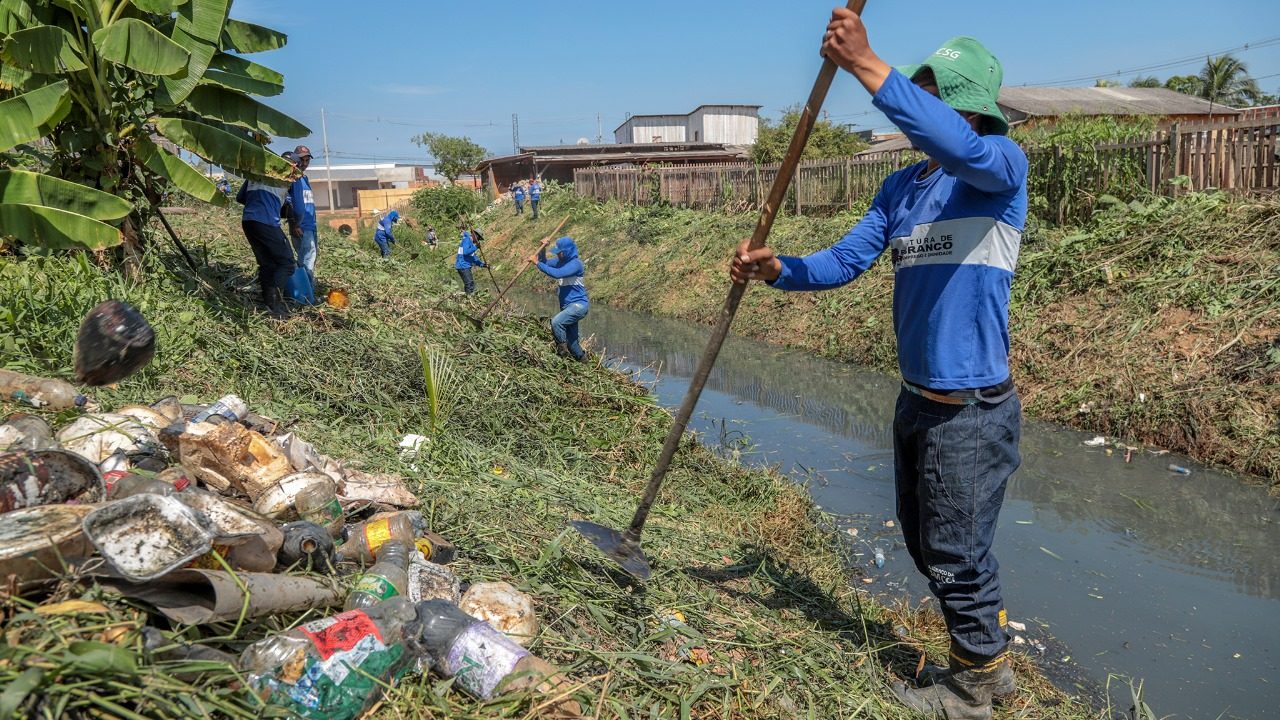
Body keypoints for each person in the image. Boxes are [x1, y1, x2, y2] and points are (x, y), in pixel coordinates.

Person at [731, 12, 1026, 719]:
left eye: (931, 97)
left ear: (965, 108)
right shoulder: (900, 189)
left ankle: (978, 685)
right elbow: (844, 261)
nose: (918, 111)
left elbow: (961, 146)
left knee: (956, 552)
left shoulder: (999, 169)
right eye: (913, 95)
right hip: (918, 398)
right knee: (927, 540)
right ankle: (986, 656)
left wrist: (866, 65)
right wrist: (779, 269)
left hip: (973, 407)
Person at [236, 166, 297, 320]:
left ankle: (268, 305)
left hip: (249, 220)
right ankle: (276, 306)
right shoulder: (286, 179)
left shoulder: (258, 172)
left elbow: (240, 197)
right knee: (287, 263)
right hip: (266, 221)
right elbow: (288, 209)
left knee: (267, 264)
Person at [530, 236, 588, 361]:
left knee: (556, 322)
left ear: (567, 251)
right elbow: (545, 263)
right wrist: (543, 249)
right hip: (567, 307)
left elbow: (557, 274)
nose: (559, 255)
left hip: (578, 306)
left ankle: (562, 352)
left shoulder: (576, 264)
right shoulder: (560, 262)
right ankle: (583, 362)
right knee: (572, 343)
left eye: (560, 252)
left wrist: (537, 263)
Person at [284, 145, 319, 286]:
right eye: (302, 160)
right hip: (301, 226)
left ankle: (304, 287)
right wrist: (294, 224)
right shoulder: (292, 178)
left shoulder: (304, 178)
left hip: (311, 225)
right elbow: (288, 203)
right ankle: (305, 292)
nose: (304, 164)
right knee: (307, 259)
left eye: (307, 160)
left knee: (309, 257)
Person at [454, 223, 486, 294]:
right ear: (475, 236)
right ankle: (469, 300)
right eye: (479, 239)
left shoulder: (471, 244)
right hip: (462, 266)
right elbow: (465, 252)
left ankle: (468, 299)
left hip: (465, 266)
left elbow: (473, 258)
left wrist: (483, 265)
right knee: (469, 285)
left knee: (469, 284)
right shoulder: (467, 240)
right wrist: (476, 247)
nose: (478, 241)